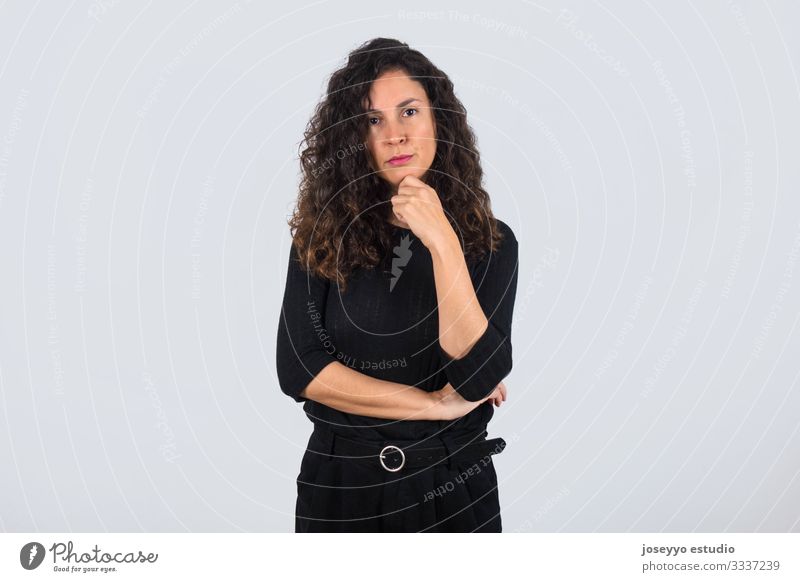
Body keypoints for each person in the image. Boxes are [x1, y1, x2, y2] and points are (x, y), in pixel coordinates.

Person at [276, 37, 519, 532]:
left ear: (438, 122)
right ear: (354, 138)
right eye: (372, 120)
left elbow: (475, 376)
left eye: (409, 112)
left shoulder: (492, 244)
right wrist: (434, 405)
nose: (394, 135)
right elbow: (299, 369)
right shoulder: (323, 234)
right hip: (341, 486)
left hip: (453, 486)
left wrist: (442, 241)